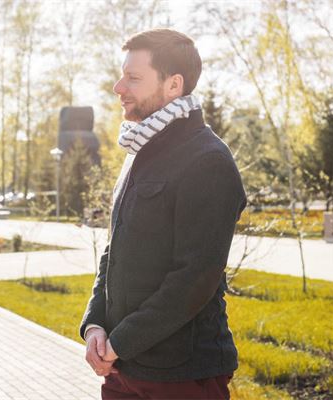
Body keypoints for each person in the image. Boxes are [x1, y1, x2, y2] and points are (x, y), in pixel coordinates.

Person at [79, 29, 246, 400]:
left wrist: (120, 342)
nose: (118, 87)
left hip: (181, 375)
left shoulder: (208, 160)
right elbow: (114, 251)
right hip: (122, 369)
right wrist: (94, 326)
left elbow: (195, 278)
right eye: (122, 76)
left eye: (133, 78)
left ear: (173, 85)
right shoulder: (139, 151)